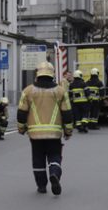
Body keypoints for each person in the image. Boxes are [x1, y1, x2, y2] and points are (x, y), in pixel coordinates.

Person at [17, 60, 74, 195]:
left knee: (38, 159)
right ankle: (54, 173)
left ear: (37, 74)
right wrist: (68, 130)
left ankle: (41, 186)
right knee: (55, 155)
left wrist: (21, 128)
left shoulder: (28, 91)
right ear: (52, 74)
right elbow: (67, 113)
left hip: (35, 134)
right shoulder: (60, 91)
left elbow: (21, 112)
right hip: (54, 133)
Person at [68, 69, 89, 134]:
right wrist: (89, 99)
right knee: (85, 113)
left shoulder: (71, 85)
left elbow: (70, 94)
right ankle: (84, 124)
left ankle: (79, 127)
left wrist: (71, 100)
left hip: (75, 103)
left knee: (77, 115)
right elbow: (87, 93)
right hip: (84, 102)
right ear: (80, 75)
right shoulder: (83, 83)